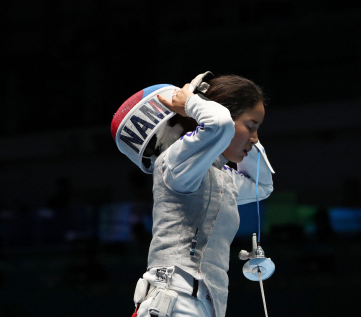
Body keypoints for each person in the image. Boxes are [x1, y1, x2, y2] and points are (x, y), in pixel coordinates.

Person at [111, 73, 274, 317]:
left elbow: (262, 185)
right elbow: (219, 125)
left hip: (199, 305)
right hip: (174, 302)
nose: (255, 138)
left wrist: (245, 138)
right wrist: (191, 102)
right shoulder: (174, 163)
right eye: (251, 126)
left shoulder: (220, 176)